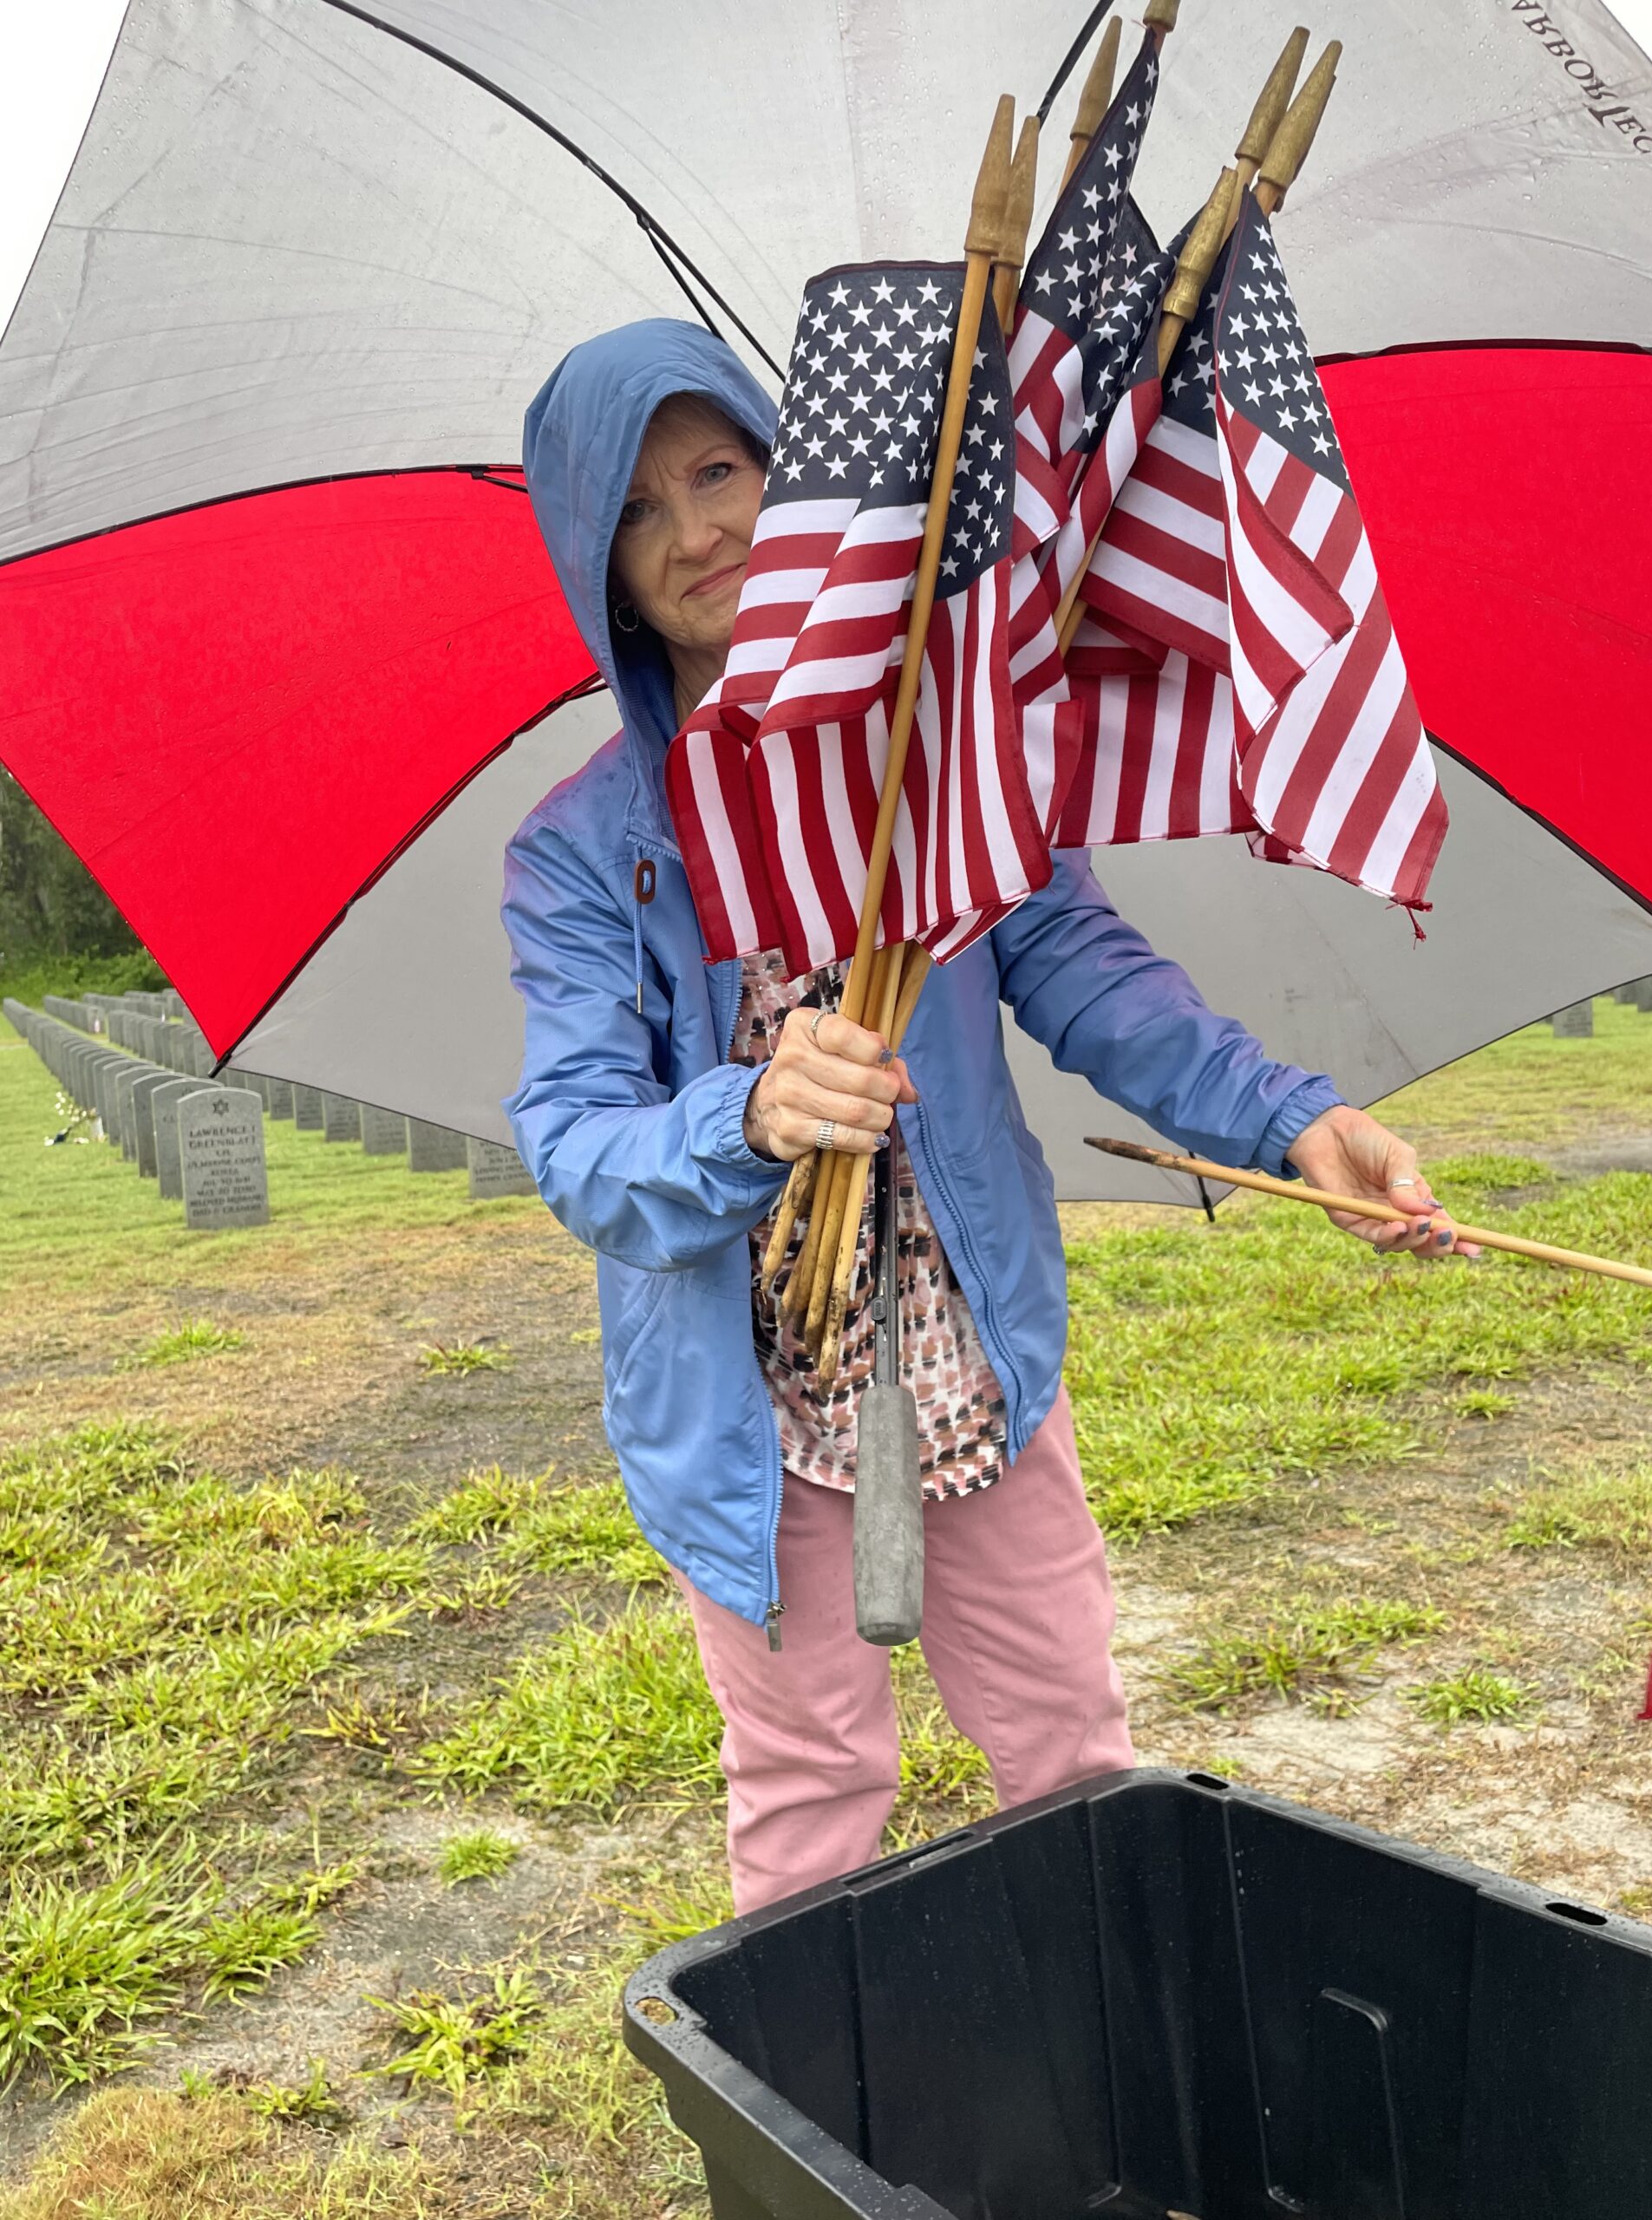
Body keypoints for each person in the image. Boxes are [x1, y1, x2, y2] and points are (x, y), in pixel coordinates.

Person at [504, 318, 1468, 1916]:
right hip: (751, 1418)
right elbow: (575, 1142)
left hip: (972, 1363)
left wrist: (1293, 1119)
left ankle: (1103, 2035)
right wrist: (748, 1116)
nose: (696, 532)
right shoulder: (587, 850)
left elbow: (1085, 969)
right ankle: (811, 2066)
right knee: (811, 1787)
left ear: (787, 475)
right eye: (637, 509)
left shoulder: (935, 748)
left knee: (1071, 1747)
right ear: (594, 560)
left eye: (721, 471)